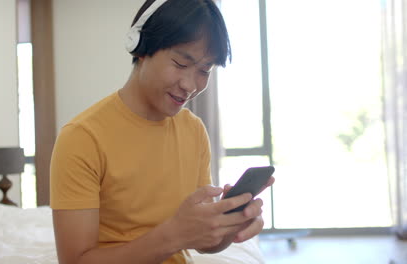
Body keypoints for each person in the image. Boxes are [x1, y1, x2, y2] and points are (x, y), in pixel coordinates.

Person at [50, 0, 275, 263]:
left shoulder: (193, 130)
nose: (190, 85)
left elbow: (202, 243)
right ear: (142, 47)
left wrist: (230, 225)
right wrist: (173, 236)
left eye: (204, 70)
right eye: (180, 63)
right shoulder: (81, 138)